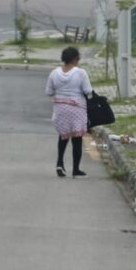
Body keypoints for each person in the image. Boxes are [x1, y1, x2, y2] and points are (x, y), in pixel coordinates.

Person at [45, 46, 93, 178]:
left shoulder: (54, 73)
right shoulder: (80, 73)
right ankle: (76, 170)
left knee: (63, 136)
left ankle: (60, 163)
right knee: (77, 139)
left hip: (60, 109)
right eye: (78, 59)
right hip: (77, 109)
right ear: (75, 59)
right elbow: (88, 90)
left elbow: (49, 92)